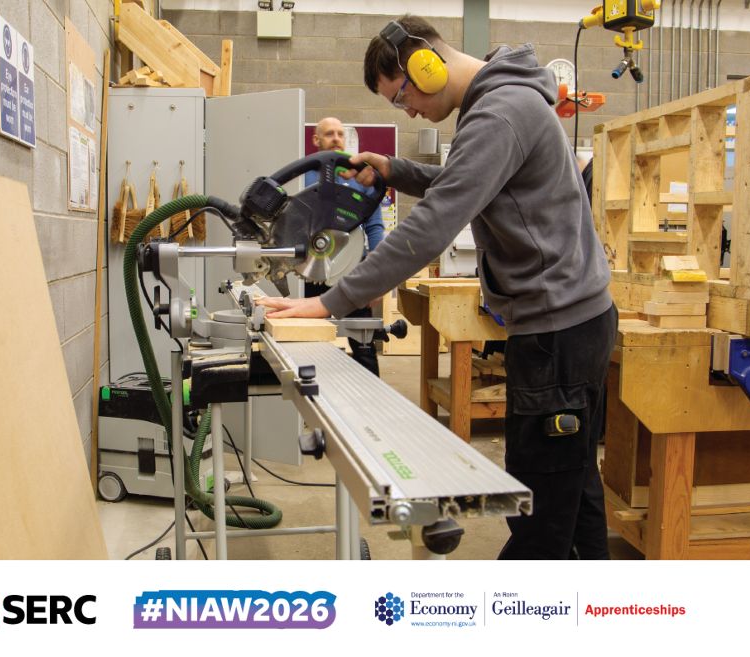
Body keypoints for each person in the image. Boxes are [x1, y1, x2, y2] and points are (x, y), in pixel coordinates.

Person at [256, 15, 617, 560]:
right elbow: (465, 182)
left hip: (555, 335)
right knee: (576, 492)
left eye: (401, 98)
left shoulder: (500, 112)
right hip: (574, 323)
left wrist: (326, 303)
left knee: (540, 522)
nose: (409, 111)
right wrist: (393, 170)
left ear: (425, 64)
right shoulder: (502, 103)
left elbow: (432, 226)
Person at [303, 117, 386, 376]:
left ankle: (372, 402)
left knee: (363, 341)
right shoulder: (302, 176)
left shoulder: (360, 178)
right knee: (307, 341)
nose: (336, 138)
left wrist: (376, 273)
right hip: (310, 272)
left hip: (352, 270)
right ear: (316, 140)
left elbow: (374, 226)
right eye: (329, 134)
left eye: (340, 134)